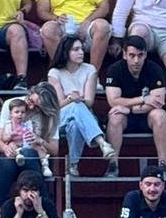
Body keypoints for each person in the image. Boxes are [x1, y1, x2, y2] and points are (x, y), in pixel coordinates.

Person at [0, 83, 60, 218]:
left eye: (38, 107)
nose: (31, 107)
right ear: (29, 93)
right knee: (6, 162)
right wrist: (6, 148)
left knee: (28, 155)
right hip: (13, 153)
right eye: (31, 101)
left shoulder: (50, 116)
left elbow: (54, 149)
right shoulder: (12, 105)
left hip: (37, 156)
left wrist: (40, 140)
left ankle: (43, 208)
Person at [48, 37, 117, 176]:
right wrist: (71, 99)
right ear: (66, 52)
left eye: (82, 49)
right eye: (76, 49)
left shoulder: (90, 70)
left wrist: (76, 100)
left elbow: (89, 102)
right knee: (75, 106)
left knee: (75, 124)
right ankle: (102, 143)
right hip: (61, 116)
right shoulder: (54, 72)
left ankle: (73, 164)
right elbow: (58, 104)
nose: (81, 52)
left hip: (85, 115)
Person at [104, 36, 166, 173]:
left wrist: (130, 109)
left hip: (146, 117)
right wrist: (143, 99)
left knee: (160, 114)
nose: (136, 60)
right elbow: (113, 101)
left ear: (145, 54)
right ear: (124, 55)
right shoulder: (115, 70)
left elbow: (158, 102)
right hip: (125, 118)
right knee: (115, 117)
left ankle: (163, 164)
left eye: (140, 55)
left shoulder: (154, 69)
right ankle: (113, 165)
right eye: (132, 55)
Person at [37, 0, 114, 78]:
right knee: (48, 29)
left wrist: (88, 21)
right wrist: (55, 18)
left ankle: (92, 76)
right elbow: (42, 11)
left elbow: (104, 8)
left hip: (89, 22)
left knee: (102, 26)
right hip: (61, 22)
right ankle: (65, 75)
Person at [1, 98, 53, 178]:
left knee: (39, 147)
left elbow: (31, 134)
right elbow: (4, 138)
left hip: (27, 143)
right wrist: (10, 135)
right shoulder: (8, 125)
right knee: (11, 145)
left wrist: (31, 136)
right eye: (17, 112)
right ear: (11, 114)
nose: (20, 114)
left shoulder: (27, 124)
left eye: (23, 112)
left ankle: (45, 165)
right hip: (16, 143)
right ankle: (19, 157)